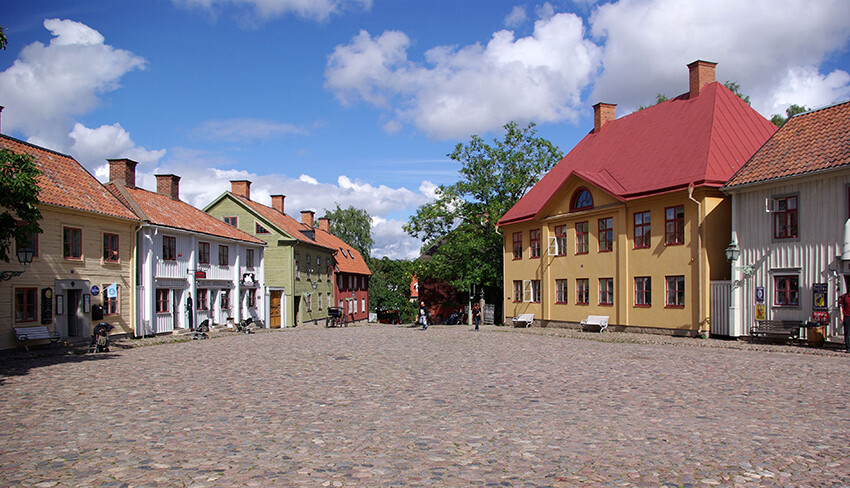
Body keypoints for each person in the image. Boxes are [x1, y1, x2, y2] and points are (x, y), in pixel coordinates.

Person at [841, 280, 850, 353]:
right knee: (847, 332)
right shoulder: (844, 297)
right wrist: (841, 316)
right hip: (847, 316)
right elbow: (841, 306)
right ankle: (848, 347)